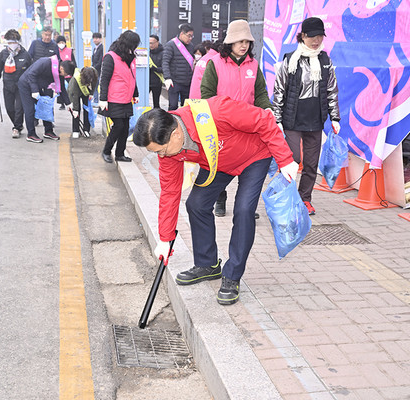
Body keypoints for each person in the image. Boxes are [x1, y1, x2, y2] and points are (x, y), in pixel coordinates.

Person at [132, 96, 298, 305]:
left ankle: (232, 276)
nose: (161, 156)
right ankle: (207, 264)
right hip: (217, 164)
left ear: (175, 134)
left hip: (253, 156)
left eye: (160, 150)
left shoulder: (217, 111)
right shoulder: (169, 152)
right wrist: (165, 239)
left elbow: (264, 119)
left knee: (244, 210)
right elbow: (169, 193)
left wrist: (285, 160)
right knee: (196, 205)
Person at [201, 20, 273, 218]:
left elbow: (260, 93)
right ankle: (220, 198)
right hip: (223, 127)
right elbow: (206, 94)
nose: (244, 45)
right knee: (220, 165)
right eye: (239, 41)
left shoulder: (253, 65)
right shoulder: (215, 64)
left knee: (248, 167)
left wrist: (267, 108)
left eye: (247, 42)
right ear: (230, 43)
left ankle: (245, 206)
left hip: (249, 127)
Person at [272, 17, 341, 216]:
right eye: (312, 36)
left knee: (311, 163)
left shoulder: (326, 61)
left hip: (315, 119)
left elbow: (331, 91)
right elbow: (279, 90)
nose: (316, 40)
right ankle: (286, 197)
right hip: (292, 118)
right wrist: (277, 118)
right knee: (292, 159)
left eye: (320, 36)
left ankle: (305, 199)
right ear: (303, 36)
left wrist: (334, 117)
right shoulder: (290, 59)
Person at [98, 30, 140, 163]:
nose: (134, 48)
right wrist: (103, 99)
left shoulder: (130, 57)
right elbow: (104, 79)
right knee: (118, 126)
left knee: (125, 127)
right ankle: (106, 151)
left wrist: (135, 93)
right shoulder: (110, 57)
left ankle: (120, 154)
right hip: (113, 98)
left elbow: (132, 77)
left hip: (126, 98)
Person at [18, 56, 74, 143]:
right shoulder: (44, 62)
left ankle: (48, 131)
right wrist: (35, 91)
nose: (66, 76)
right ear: (62, 68)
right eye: (66, 74)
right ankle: (31, 134)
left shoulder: (60, 72)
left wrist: (68, 104)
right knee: (30, 109)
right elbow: (31, 74)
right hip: (26, 84)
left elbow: (62, 88)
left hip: (37, 86)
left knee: (46, 106)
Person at [0, 29, 32, 139]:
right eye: (9, 42)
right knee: (9, 108)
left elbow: (31, 72)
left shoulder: (25, 55)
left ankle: (16, 128)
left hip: (21, 87)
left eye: (14, 42)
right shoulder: (3, 54)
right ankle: (17, 124)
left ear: (18, 42)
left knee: (19, 108)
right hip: (8, 85)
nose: (12, 44)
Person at [162, 23, 194, 110]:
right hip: (174, 81)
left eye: (192, 36)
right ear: (182, 34)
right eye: (189, 36)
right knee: (173, 106)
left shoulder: (191, 46)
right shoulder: (171, 45)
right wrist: (167, 77)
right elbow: (165, 62)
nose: (190, 38)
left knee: (186, 107)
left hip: (187, 82)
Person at [67, 66, 98, 139]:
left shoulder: (94, 74)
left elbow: (94, 84)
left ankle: (86, 129)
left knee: (87, 109)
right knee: (76, 111)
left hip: (86, 91)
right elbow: (74, 95)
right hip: (76, 91)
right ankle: (75, 130)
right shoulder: (76, 80)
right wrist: (74, 108)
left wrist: (91, 93)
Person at [56, 35, 76, 110]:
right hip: (60, 73)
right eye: (60, 42)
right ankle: (62, 103)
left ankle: (69, 101)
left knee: (69, 90)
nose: (61, 44)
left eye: (63, 42)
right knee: (60, 89)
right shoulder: (56, 50)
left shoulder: (69, 51)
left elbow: (73, 62)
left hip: (68, 75)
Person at [149, 34, 164, 109]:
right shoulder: (146, 52)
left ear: (157, 42)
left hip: (157, 81)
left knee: (156, 103)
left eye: (152, 43)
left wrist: (154, 68)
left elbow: (164, 68)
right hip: (146, 82)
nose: (150, 45)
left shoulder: (163, 53)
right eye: (149, 43)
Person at [91, 32, 103, 103]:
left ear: (100, 39)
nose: (95, 40)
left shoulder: (101, 48)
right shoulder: (95, 48)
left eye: (97, 38)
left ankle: (99, 100)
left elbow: (100, 60)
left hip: (99, 70)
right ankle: (96, 100)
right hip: (95, 70)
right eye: (94, 38)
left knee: (99, 85)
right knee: (94, 85)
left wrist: (94, 67)